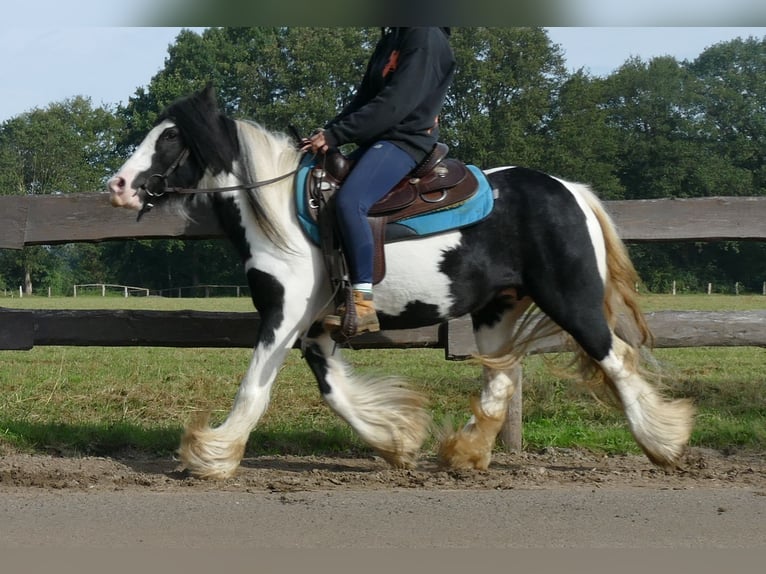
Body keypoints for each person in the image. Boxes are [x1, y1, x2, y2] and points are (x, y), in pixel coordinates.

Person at [303, 27, 456, 335]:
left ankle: (362, 303)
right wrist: (327, 133)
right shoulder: (393, 38)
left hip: (405, 142)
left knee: (350, 202)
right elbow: (363, 98)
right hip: (378, 141)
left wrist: (338, 135)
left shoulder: (425, 37)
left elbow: (396, 103)